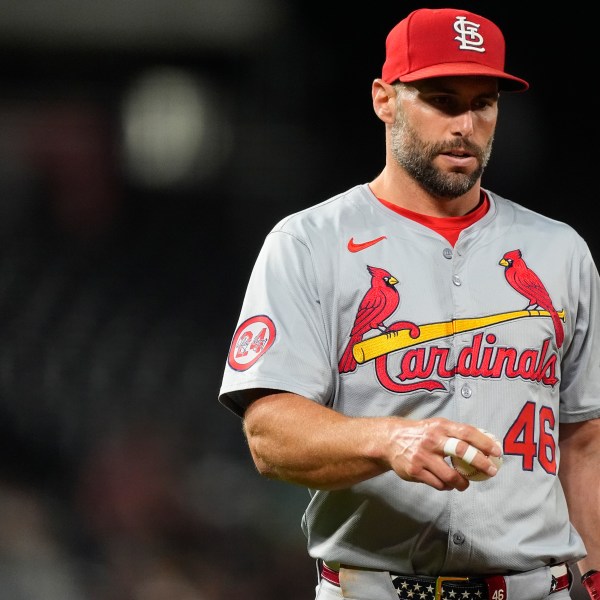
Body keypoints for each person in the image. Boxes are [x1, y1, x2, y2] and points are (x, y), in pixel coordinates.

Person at [218, 7, 600, 600]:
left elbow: (584, 438)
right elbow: (270, 434)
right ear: (384, 99)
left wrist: (597, 579)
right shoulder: (310, 243)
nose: (466, 125)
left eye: (484, 103)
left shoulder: (560, 251)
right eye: (443, 100)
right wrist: (389, 440)